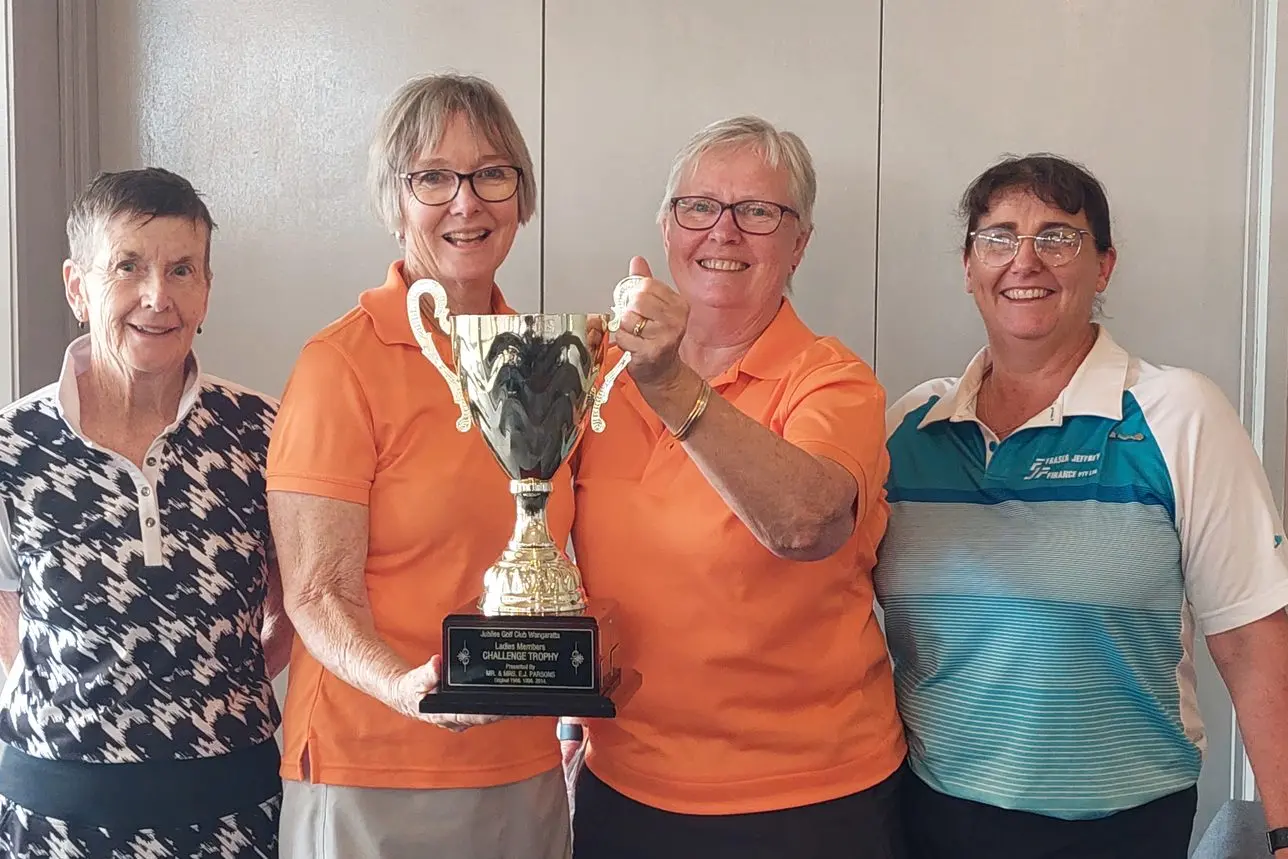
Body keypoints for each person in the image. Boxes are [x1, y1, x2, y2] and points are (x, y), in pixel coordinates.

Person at [877, 154, 1288, 859]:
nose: (1025, 259)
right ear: (969, 267)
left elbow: (1254, 642)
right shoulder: (908, 425)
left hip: (1123, 826)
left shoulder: (1176, 413)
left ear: (1103, 266)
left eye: (1058, 236)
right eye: (999, 237)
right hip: (928, 815)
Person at [568, 116, 907, 859]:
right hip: (623, 789)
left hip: (808, 803)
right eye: (699, 207)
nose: (723, 233)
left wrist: (669, 384)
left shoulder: (833, 379)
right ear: (667, 228)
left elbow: (807, 523)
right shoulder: (592, 372)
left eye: (758, 212)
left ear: (799, 245)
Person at [266, 73, 572, 859]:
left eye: (492, 173)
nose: (466, 202)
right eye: (433, 177)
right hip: (371, 767)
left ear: (522, 197)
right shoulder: (341, 364)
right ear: (394, 199)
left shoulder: (550, 360)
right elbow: (316, 591)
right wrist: (406, 690)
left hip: (522, 762)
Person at [0, 168, 291, 856]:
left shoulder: (264, 432)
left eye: (182, 269)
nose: (157, 297)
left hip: (230, 816)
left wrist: (223, 688)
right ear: (78, 287)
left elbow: (297, 600)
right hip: (52, 822)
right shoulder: (13, 446)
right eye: (127, 266)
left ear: (206, 292)